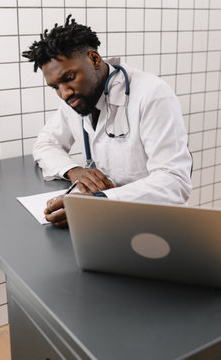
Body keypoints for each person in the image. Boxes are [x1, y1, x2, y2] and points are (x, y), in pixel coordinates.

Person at [22, 15, 192, 227]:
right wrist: (75, 171)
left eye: (68, 78)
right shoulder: (76, 99)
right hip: (105, 220)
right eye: (55, 87)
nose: (64, 93)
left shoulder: (152, 95)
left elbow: (175, 181)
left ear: (94, 59)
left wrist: (99, 202)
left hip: (151, 221)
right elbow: (45, 143)